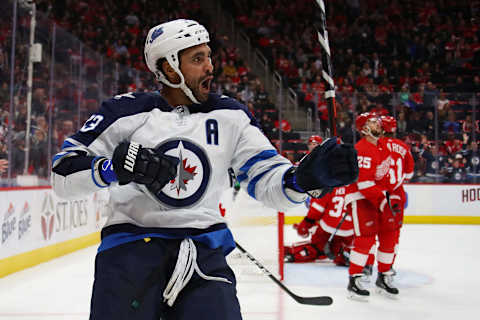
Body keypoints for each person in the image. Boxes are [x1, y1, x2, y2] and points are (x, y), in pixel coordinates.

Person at [51, 19, 358, 320]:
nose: (210, 67)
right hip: (130, 253)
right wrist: (111, 169)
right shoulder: (123, 112)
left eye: (209, 56)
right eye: (198, 59)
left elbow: (268, 180)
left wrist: (303, 179)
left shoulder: (231, 115)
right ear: (169, 67)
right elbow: (62, 174)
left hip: (204, 255)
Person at [344, 112, 398, 300]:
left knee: (389, 233)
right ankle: (355, 279)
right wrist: (383, 202)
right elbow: (364, 184)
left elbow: (384, 177)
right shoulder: (362, 149)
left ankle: (384, 276)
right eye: (373, 122)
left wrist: (389, 198)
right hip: (360, 197)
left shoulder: (383, 147)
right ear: (364, 128)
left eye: (377, 121)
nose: (378, 124)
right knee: (366, 238)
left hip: (378, 196)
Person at [379, 115, 415, 275]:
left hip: (376, 194)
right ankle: (388, 266)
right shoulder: (403, 147)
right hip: (396, 195)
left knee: (368, 233)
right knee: (393, 233)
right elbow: (409, 174)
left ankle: (365, 267)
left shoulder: (375, 145)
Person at [284, 186, 353, 266]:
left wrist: (305, 225)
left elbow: (317, 210)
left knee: (317, 247)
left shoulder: (330, 185)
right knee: (337, 248)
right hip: (349, 233)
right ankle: (346, 254)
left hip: (327, 229)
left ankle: (294, 254)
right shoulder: (356, 187)